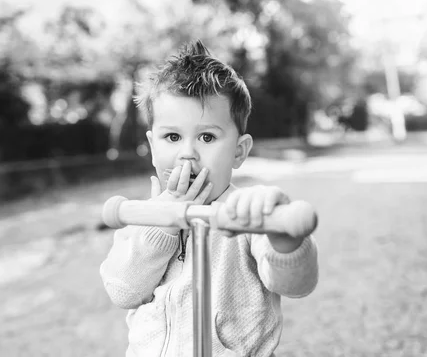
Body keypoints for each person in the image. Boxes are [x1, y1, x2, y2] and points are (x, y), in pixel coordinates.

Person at [100, 40, 319, 357]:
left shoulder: (246, 214)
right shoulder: (142, 215)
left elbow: (297, 284)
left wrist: (283, 238)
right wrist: (161, 226)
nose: (187, 153)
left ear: (238, 151)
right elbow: (122, 290)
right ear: (152, 145)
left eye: (207, 137)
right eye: (172, 137)